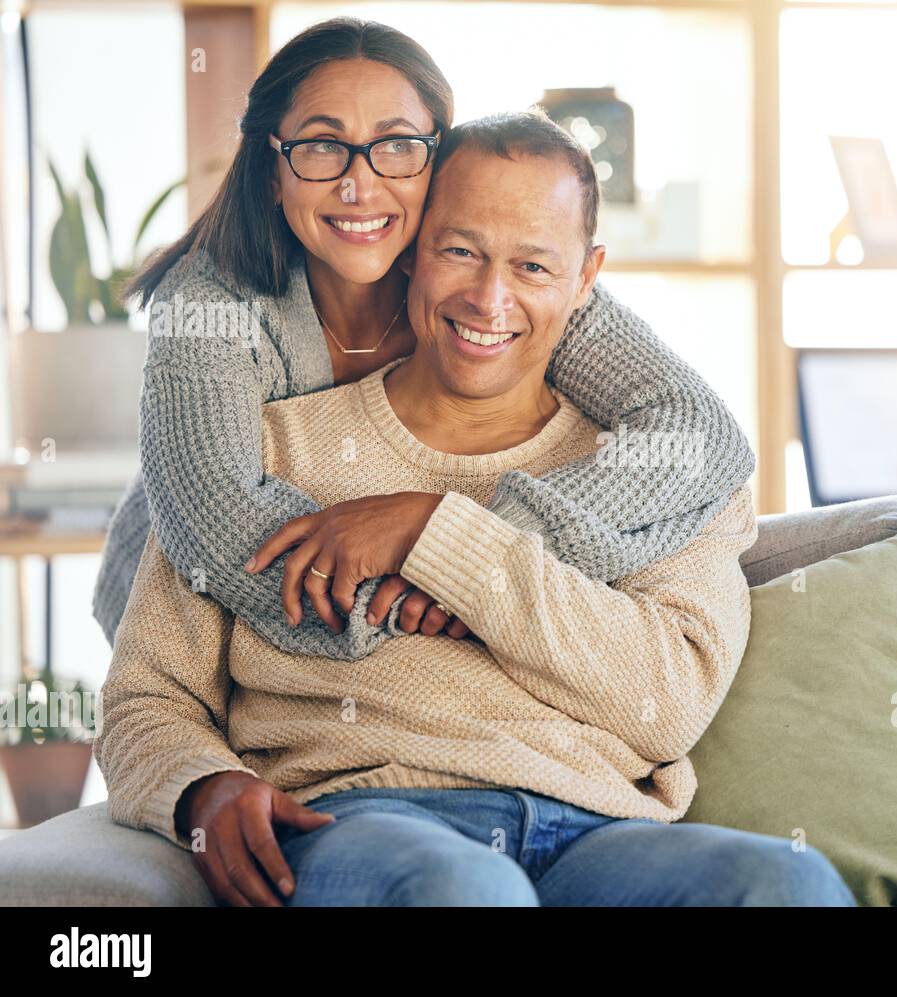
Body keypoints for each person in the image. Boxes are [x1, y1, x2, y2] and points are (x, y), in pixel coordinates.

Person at [93, 109, 856, 907]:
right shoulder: (270, 452)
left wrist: (439, 535)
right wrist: (198, 786)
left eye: (533, 266)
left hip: (600, 837)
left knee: (787, 881)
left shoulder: (655, 471)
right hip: (369, 822)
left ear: (587, 277)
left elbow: (662, 704)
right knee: (466, 889)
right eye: (461, 251)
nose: (490, 299)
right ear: (411, 251)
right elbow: (148, 694)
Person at [91, 16, 754, 659]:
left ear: (439, 163)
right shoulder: (208, 300)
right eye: (322, 145)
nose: (360, 184)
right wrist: (443, 585)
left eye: (397, 145)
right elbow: (217, 532)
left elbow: (701, 436)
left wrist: (444, 537)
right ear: (273, 169)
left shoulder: (501, 278)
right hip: (186, 605)